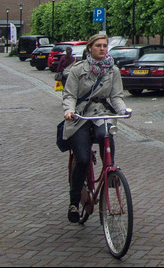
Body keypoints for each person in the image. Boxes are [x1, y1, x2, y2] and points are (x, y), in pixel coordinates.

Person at [60, 32, 127, 223]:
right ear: (90, 48)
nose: (102, 49)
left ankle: (111, 171)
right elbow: (70, 95)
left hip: (100, 113)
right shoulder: (78, 69)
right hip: (80, 115)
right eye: (98, 45)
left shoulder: (112, 70)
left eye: (105, 46)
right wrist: (69, 110)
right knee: (82, 159)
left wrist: (123, 110)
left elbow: (116, 96)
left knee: (107, 134)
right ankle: (74, 203)